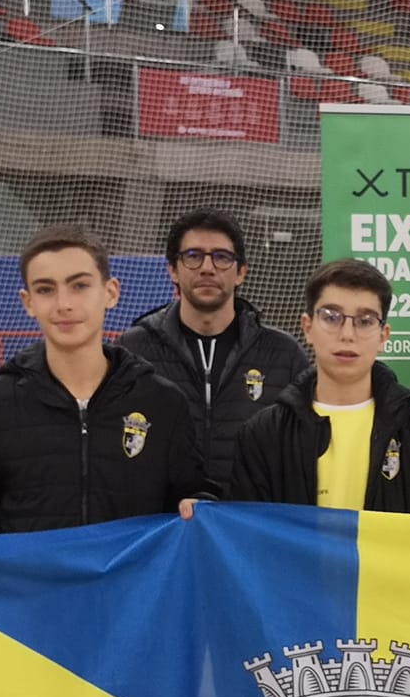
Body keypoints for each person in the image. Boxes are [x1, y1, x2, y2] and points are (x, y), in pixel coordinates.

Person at [0, 225, 206, 534]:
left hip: (133, 599)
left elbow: (185, 513)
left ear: (111, 292)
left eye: (80, 286)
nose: (63, 304)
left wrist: (201, 507)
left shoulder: (162, 402)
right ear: (28, 302)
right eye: (46, 289)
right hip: (27, 601)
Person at [227, 258, 410, 515]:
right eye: (331, 317)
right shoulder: (265, 433)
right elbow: (247, 535)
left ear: (383, 336)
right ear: (307, 328)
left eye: (365, 321)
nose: (347, 334)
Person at [115, 209, 303, 492]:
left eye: (221, 257)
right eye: (193, 256)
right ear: (173, 270)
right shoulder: (132, 349)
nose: (207, 267)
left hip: (247, 529)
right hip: (164, 527)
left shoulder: (284, 354)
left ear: (241, 272)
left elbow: (301, 454)